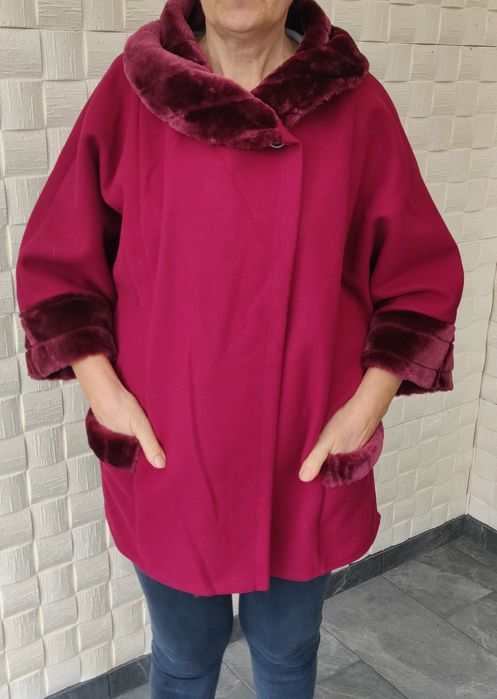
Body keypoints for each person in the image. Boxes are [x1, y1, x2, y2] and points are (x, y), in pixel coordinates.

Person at [15, 0, 465, 695]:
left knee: (287, 650)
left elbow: (419, 278)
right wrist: (108, 397)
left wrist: (364, 411)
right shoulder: (136, 92)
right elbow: (59, 262)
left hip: (307, 449)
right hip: (168, 445)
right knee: (183, 654)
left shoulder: (356, 105)